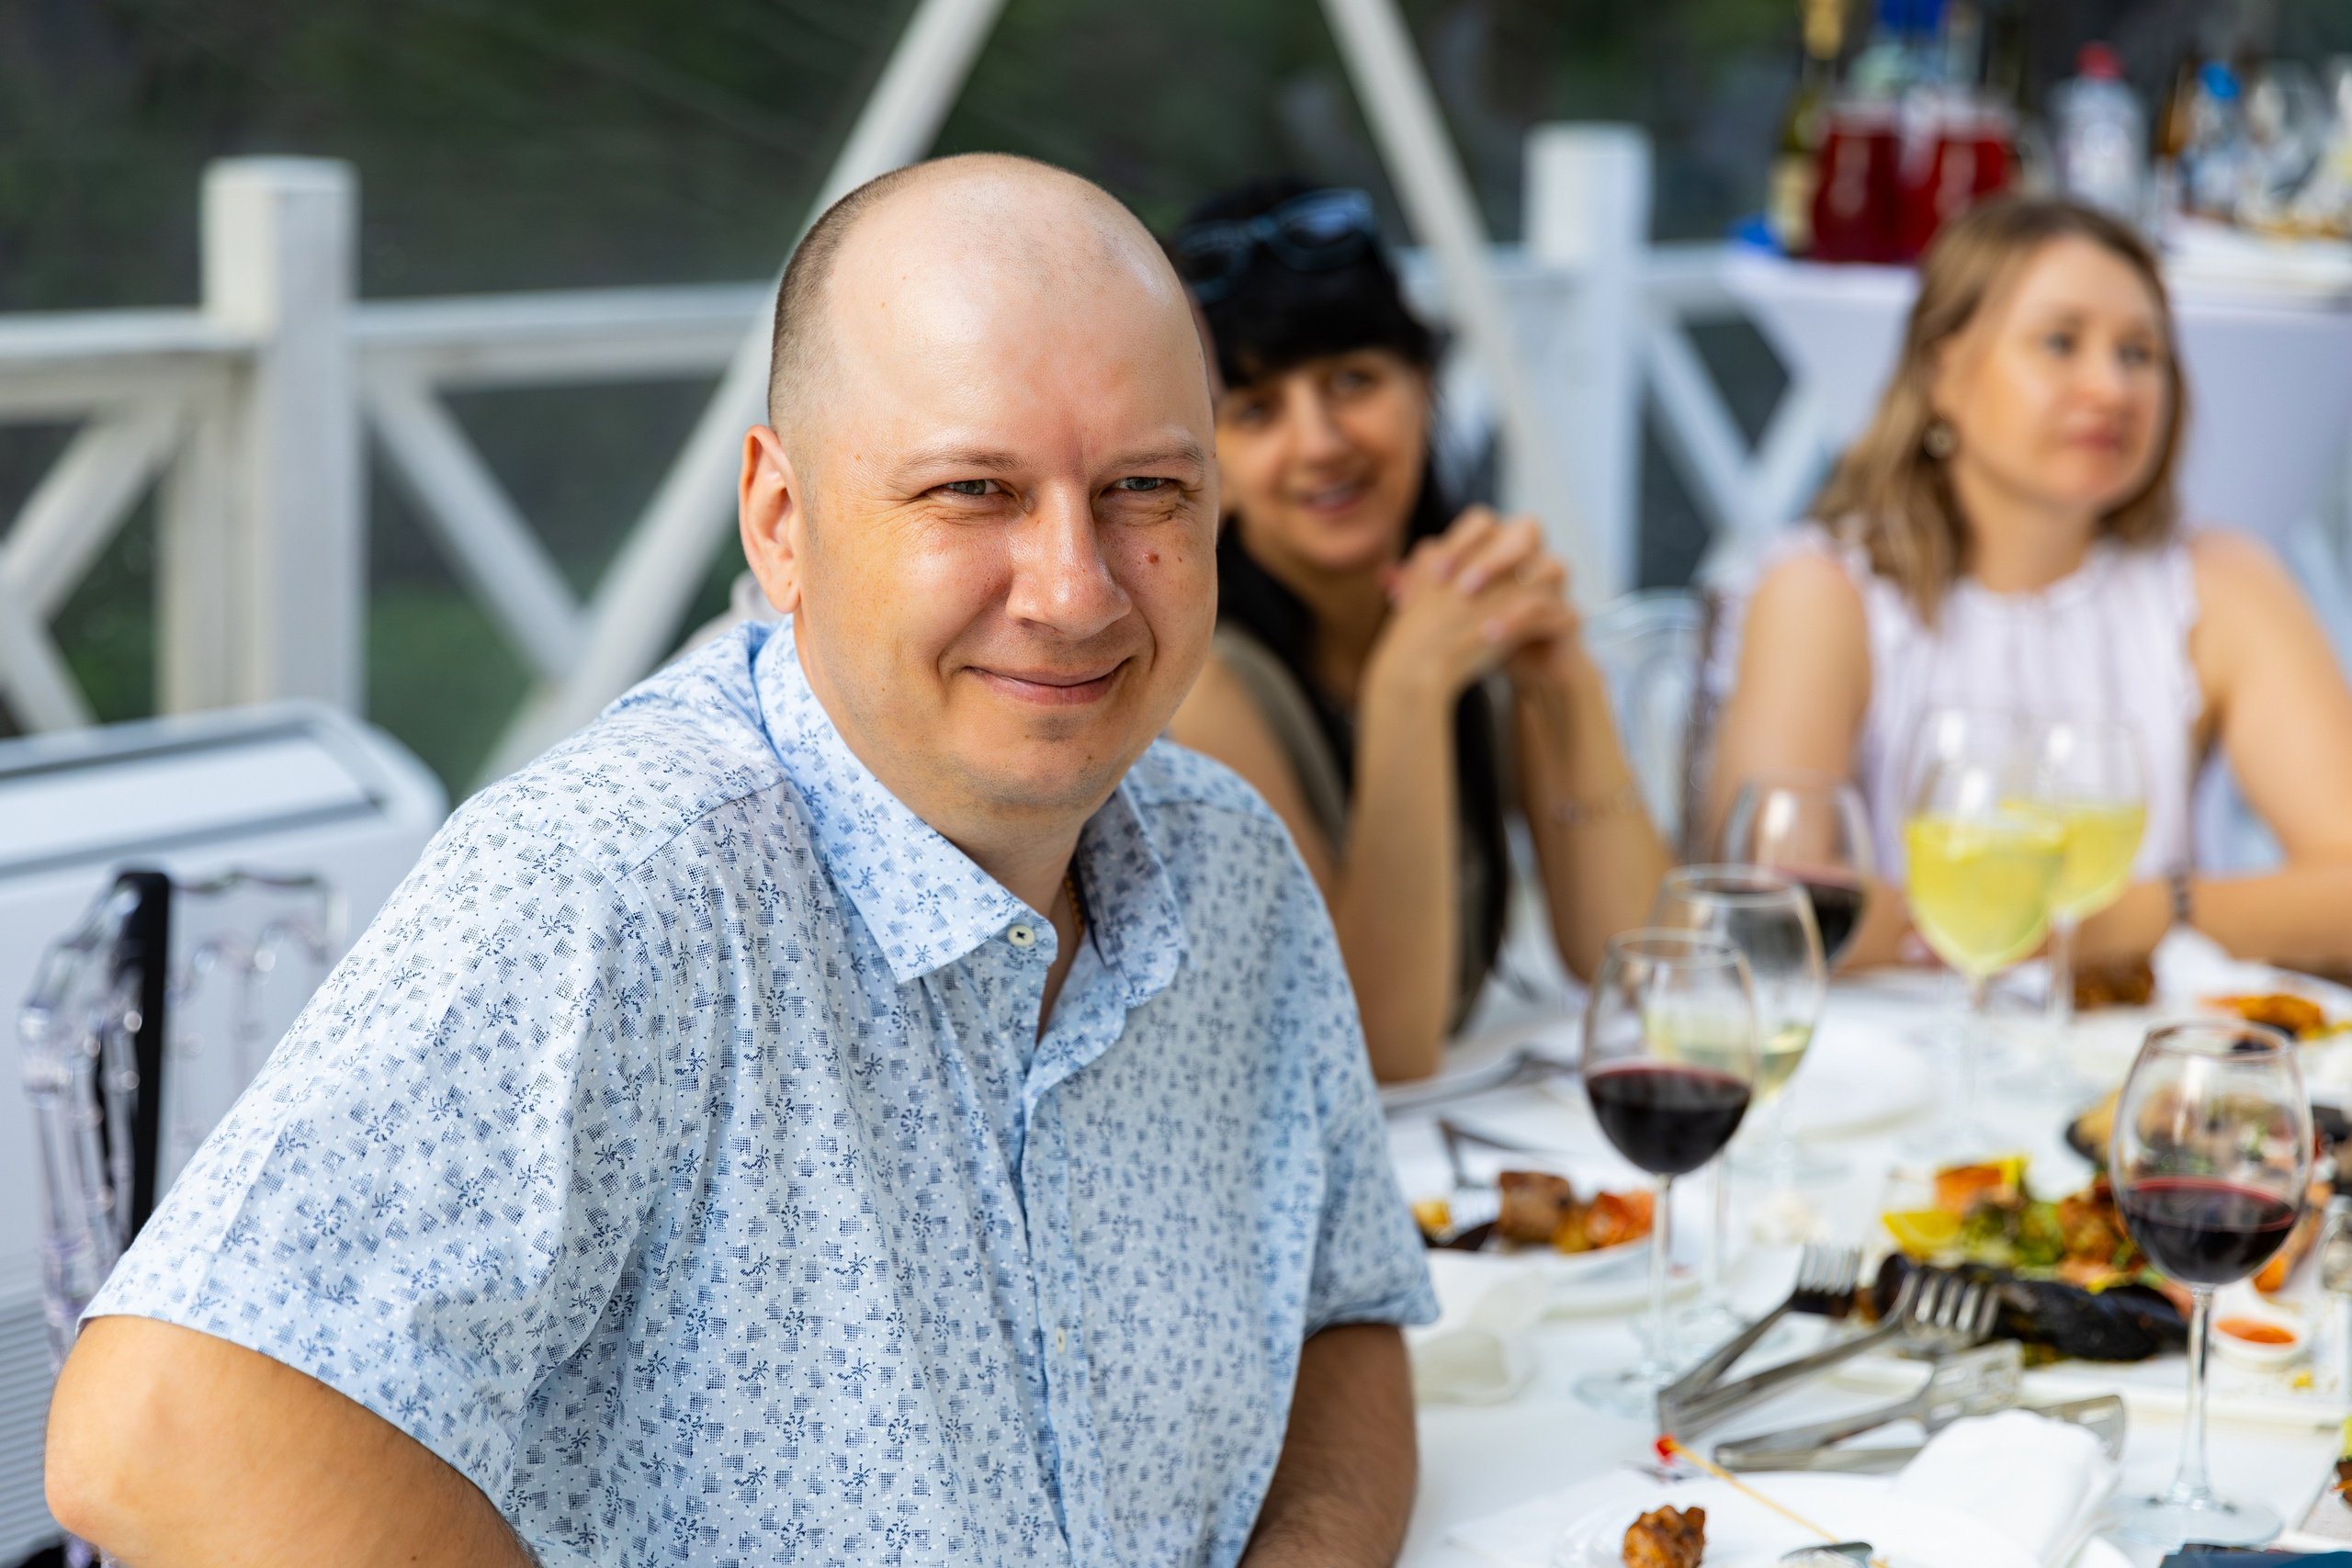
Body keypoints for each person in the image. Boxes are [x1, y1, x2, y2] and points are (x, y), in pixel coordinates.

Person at [45, 155, 1438, 1568]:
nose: (1075, 587)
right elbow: (166, 1429)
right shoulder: (625, 881)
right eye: (972, 489)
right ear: (781, 520)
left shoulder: (1229, 857)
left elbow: (1343, 1307)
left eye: (1146, 486)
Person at [1709, 195, 2352, 973]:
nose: (2111, 388)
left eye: (2139, 353)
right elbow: (1774, 913)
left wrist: (2151, 913)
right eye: (2060, 342)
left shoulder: (2219, 583)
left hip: (2132, 1064)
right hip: (1891, 1063)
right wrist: (2072, 931)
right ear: (1943, 372)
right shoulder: (1826, 589)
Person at [1164, 178, 1668, 1084]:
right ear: (1208, 467)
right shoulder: (1204, 687)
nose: (1319, 442)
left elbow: (1642, 964)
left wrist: (1566, 685)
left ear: (1425, 387)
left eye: (1352, 380)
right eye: (1257, 411)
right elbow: (1373, 1052)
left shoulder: (1465, 611)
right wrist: (1408, 690)